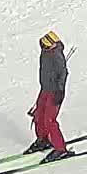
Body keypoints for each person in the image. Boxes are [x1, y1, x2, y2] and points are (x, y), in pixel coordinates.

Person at [26, 30, 72, 162]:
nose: (44, 47)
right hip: (44, 89)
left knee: (50, 120)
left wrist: (60, 91)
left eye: (47, 45)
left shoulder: (57, 55)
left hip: (55, 92)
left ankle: (60, 149)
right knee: (39, 115)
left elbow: (63, 74)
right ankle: (43, 139)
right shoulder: (45, 51)